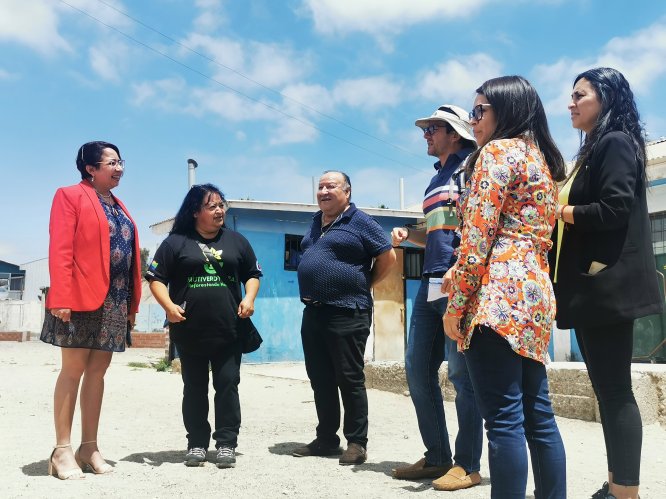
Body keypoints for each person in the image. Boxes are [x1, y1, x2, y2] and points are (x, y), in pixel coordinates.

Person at [442, 76, 567, 498]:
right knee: (538, 416)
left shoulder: (496, 152)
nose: (472, 121)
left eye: (479, 111)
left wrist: (455, 307)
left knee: (503, 420)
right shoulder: (541, 161)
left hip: (496, 295)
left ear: (506, 110)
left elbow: (476, 241)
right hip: (534, 293)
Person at [551, 68, 662, 499]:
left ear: (607, 99)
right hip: (596, 287)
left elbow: (614, 208)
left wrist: (561, 213)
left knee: (615, 391)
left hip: (607, 286)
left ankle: (625, 493)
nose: (571, 103)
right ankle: (619, 485)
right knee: (610, 389)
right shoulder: (600, 146)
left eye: (580, 95)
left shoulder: (613, 142)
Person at [390, 105, 483, 491]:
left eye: (434, 128)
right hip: (430, 282)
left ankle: (467, 464)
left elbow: (477, 225)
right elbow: (438, 235)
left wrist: (462, 269)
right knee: (415, 368)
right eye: (426, 128)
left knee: (461, 375)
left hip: (458, 284)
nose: (426, 134)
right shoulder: (435, 180)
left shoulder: (471, 169)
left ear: (456, 134)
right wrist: (410, 237)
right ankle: (439, 456)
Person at [41, 141, 141, 479]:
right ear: (90, 168)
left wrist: (131, 304)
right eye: (112, 162)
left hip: (115, 299)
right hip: (79, 296)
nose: (119, 168)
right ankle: (62, 450)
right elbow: (61, 248)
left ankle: (89, 446)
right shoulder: (69, 196)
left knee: (98, 373)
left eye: (120, 162)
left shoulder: (119, 206)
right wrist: (61, 296)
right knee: (73, 370)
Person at [146, 184, 261, 469]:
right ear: (196, 212)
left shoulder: (237, 241)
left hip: (229, 328)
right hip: (190, 330)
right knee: (194, 388)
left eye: (221, 205)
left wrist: (249, 297)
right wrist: (169, 307)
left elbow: (252, 274)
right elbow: (156, 277)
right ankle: (197, 443)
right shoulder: (176, 243)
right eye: (212, 206)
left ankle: (226, 444)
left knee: (227, 386)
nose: (220, 210)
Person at [292, 171, 396, 465]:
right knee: (320, 378)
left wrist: (364, 284)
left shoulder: (360, 221)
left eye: (331, 186)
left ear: (347, 192)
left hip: (347, 310)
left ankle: (357, 442)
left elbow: (388, 256)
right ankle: (326, 439)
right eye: (320, 186)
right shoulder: (315, 221)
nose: (324, 191)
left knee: (349, 378)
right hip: (313, 312)